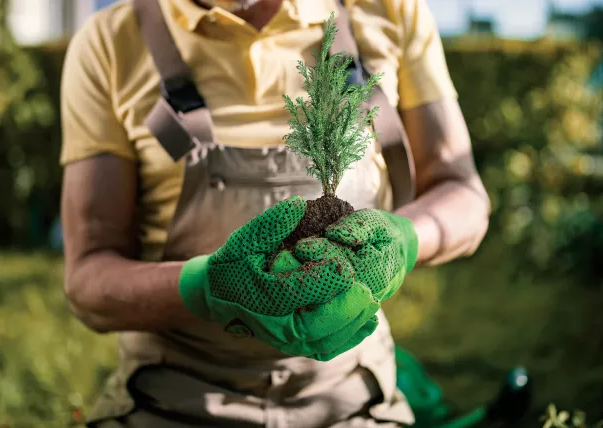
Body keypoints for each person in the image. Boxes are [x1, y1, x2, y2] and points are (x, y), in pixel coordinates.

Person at [59, 0, 490, 426]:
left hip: (352, 395)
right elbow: (88, 277)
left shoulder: (388, 12)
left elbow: (462, 192)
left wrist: (406, 237)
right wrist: (205, 288)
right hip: (174, 395)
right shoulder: (111, 42)